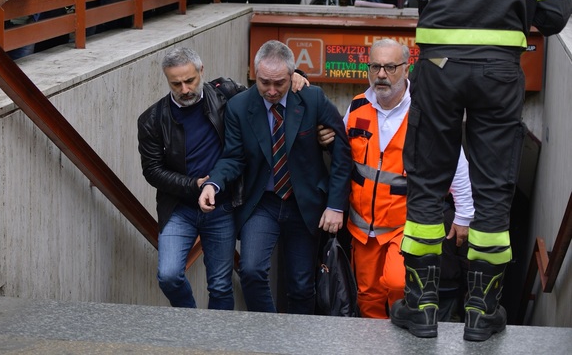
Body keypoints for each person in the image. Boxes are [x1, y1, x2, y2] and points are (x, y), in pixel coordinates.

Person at [368, 0, 572, 342]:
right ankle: (482, 312)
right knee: (494, 189)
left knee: (426, 184)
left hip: (439, 67)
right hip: (499, 71)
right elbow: (555, 15)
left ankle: (421, 308)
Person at [138, 47, 309, 310]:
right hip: (179, 208)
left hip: (222, 206)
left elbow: (267, 90)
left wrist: (296, 74)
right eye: (176, 83)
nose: (184, 89)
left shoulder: (227, 94)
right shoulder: (152, 119)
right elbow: (152, 170)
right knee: (169, 275)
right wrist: (193, 185)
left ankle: (221, 343)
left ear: (201, 71)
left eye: (190, 80)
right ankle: (194, 330)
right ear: (166, 79)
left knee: (220, 284)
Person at [320, 39, 474, 320]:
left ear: (406, 69)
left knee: (396, 283)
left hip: (406, 224)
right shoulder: (356, 109)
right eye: (376, 66)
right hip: (363, 230)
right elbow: (343, 163)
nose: (381, 74)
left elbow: (455, 164)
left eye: (390, 67)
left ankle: (403, 339)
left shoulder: (426, 113)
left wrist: (464, 214)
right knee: (368, 297)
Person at [198, 40, 352, 315]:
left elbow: (342, 151)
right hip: (263, 202)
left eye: (279, 83)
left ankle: (297, 343)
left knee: (302, 286)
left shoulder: (312, 98)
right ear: (255, 74)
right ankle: (269, 334)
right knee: (251, 270)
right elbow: (234, 157)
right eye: (264, 82)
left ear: (292, 75)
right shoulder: (239, 107)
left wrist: (335, 205)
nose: (271, 90)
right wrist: (213, 182)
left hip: (304, 204)